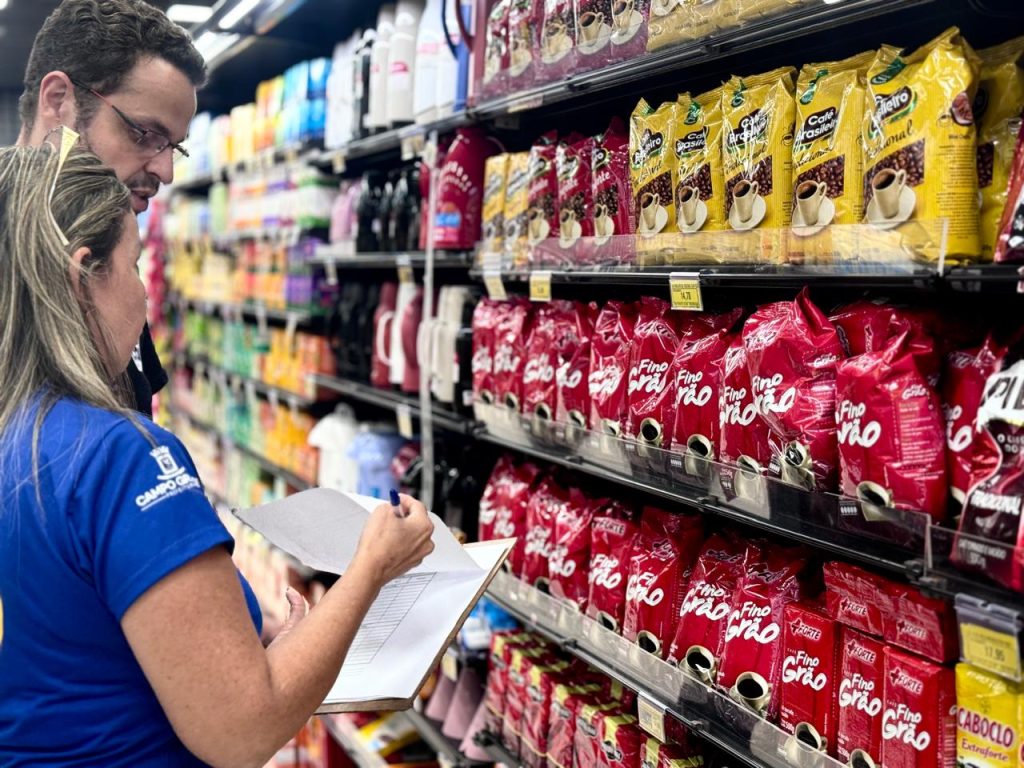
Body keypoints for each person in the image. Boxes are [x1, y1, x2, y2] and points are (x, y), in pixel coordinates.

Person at [0, 142, 436, 765]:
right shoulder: (121, 458)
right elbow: (242, 729)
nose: (146, 296)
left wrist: (256, 632)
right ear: (81, 277)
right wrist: (370, 569)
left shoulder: (17, 432)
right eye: (135, 266)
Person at [17, 0, 208, 418]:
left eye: (174, 146)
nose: (165, 170)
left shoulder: (113, 268)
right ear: (57, 101)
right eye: (144, 133)